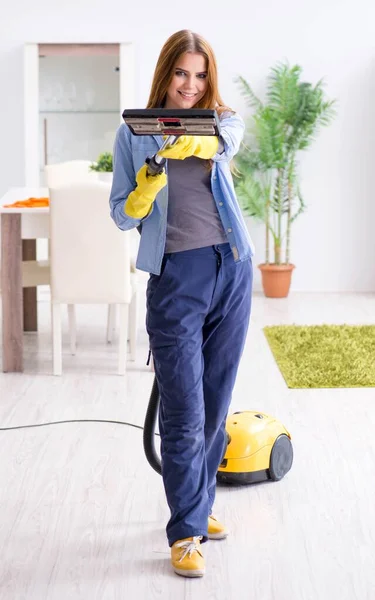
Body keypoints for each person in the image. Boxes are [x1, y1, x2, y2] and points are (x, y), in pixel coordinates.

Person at [109, 29, 255, 578]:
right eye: (181, 73)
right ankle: (186, 531)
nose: (191, 85)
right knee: (185, 413)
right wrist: (147, 183)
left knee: (216, 403)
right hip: (177, 279)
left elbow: (227, 143)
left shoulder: (223, 121)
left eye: (200, 75)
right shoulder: (133, 134)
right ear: (165, 73)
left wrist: (197, 140)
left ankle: (200, 504)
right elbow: (123, 214)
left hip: (233, 267)